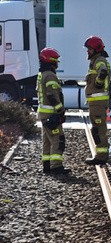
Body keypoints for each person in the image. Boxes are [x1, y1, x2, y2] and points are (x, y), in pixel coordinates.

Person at [37, 47, 68, 176]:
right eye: (55, 60)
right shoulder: (50, 75)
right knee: (57, 139)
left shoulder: (42, 74)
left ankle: (47, 165)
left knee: (47, 140)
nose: (57, 63)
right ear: (50, 61)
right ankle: (56, 166)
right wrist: (60, 111)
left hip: (43, 113)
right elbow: (52, 95)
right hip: (51, 113)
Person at [83, 35, 111, 165]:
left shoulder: (99, 60)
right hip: (96, 103)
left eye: (89, 49)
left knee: (99, 129)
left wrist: (99, 83)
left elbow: (103, 71)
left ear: (96, 49)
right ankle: (101, 154)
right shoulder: (96, 60)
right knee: (97, 128)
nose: (87, 51)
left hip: (98, 103)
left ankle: (102, 156)